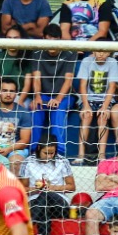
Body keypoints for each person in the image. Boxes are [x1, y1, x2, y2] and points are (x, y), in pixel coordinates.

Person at [18, 139, 74, 235]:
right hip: (36, 200)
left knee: (46, 196)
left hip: (59, 202)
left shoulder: (62, 161)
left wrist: (52, 187)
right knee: (43, 207)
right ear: (38, 150)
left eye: (52, 153)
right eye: (46, 153)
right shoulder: (28, 162)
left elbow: (72, 187)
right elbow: (21, 189)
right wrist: (36, 189)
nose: (49, 156)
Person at [29, 25, 77, 155]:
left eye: (55, 39)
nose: (52, 43)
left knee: (59, 110)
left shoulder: (69, 53)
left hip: (64, 95)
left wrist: (58, 99)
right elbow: (37, 78)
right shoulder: (37, 53)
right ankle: (34, 152)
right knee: (35, 108)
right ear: (43, 38)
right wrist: (37, 96)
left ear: (60, 39)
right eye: (49, 39)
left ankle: (59, 152)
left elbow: (68, 80)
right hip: (44, 94)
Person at [75, 49, 118, 165]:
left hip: (105, 100)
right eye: (98, 51)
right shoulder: (86, 61)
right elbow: (82, 85)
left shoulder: (112, 62)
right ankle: (81, 155)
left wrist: (105, 107)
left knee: (103, 117)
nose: (101, 54)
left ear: (109, 53)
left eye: (104, 51)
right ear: (94, 52)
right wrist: (85, 105)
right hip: (88, 99)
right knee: (86, 116)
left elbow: (112, 87)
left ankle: (102, 155)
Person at [0, 76, 31, 171]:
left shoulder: (23, 113)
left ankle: (12, 186)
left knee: (15, 162)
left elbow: (25, 140)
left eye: (12, 91)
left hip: (15, 149)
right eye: (4, 90)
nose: (8, 94)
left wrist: (8, 149)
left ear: (16, 93)